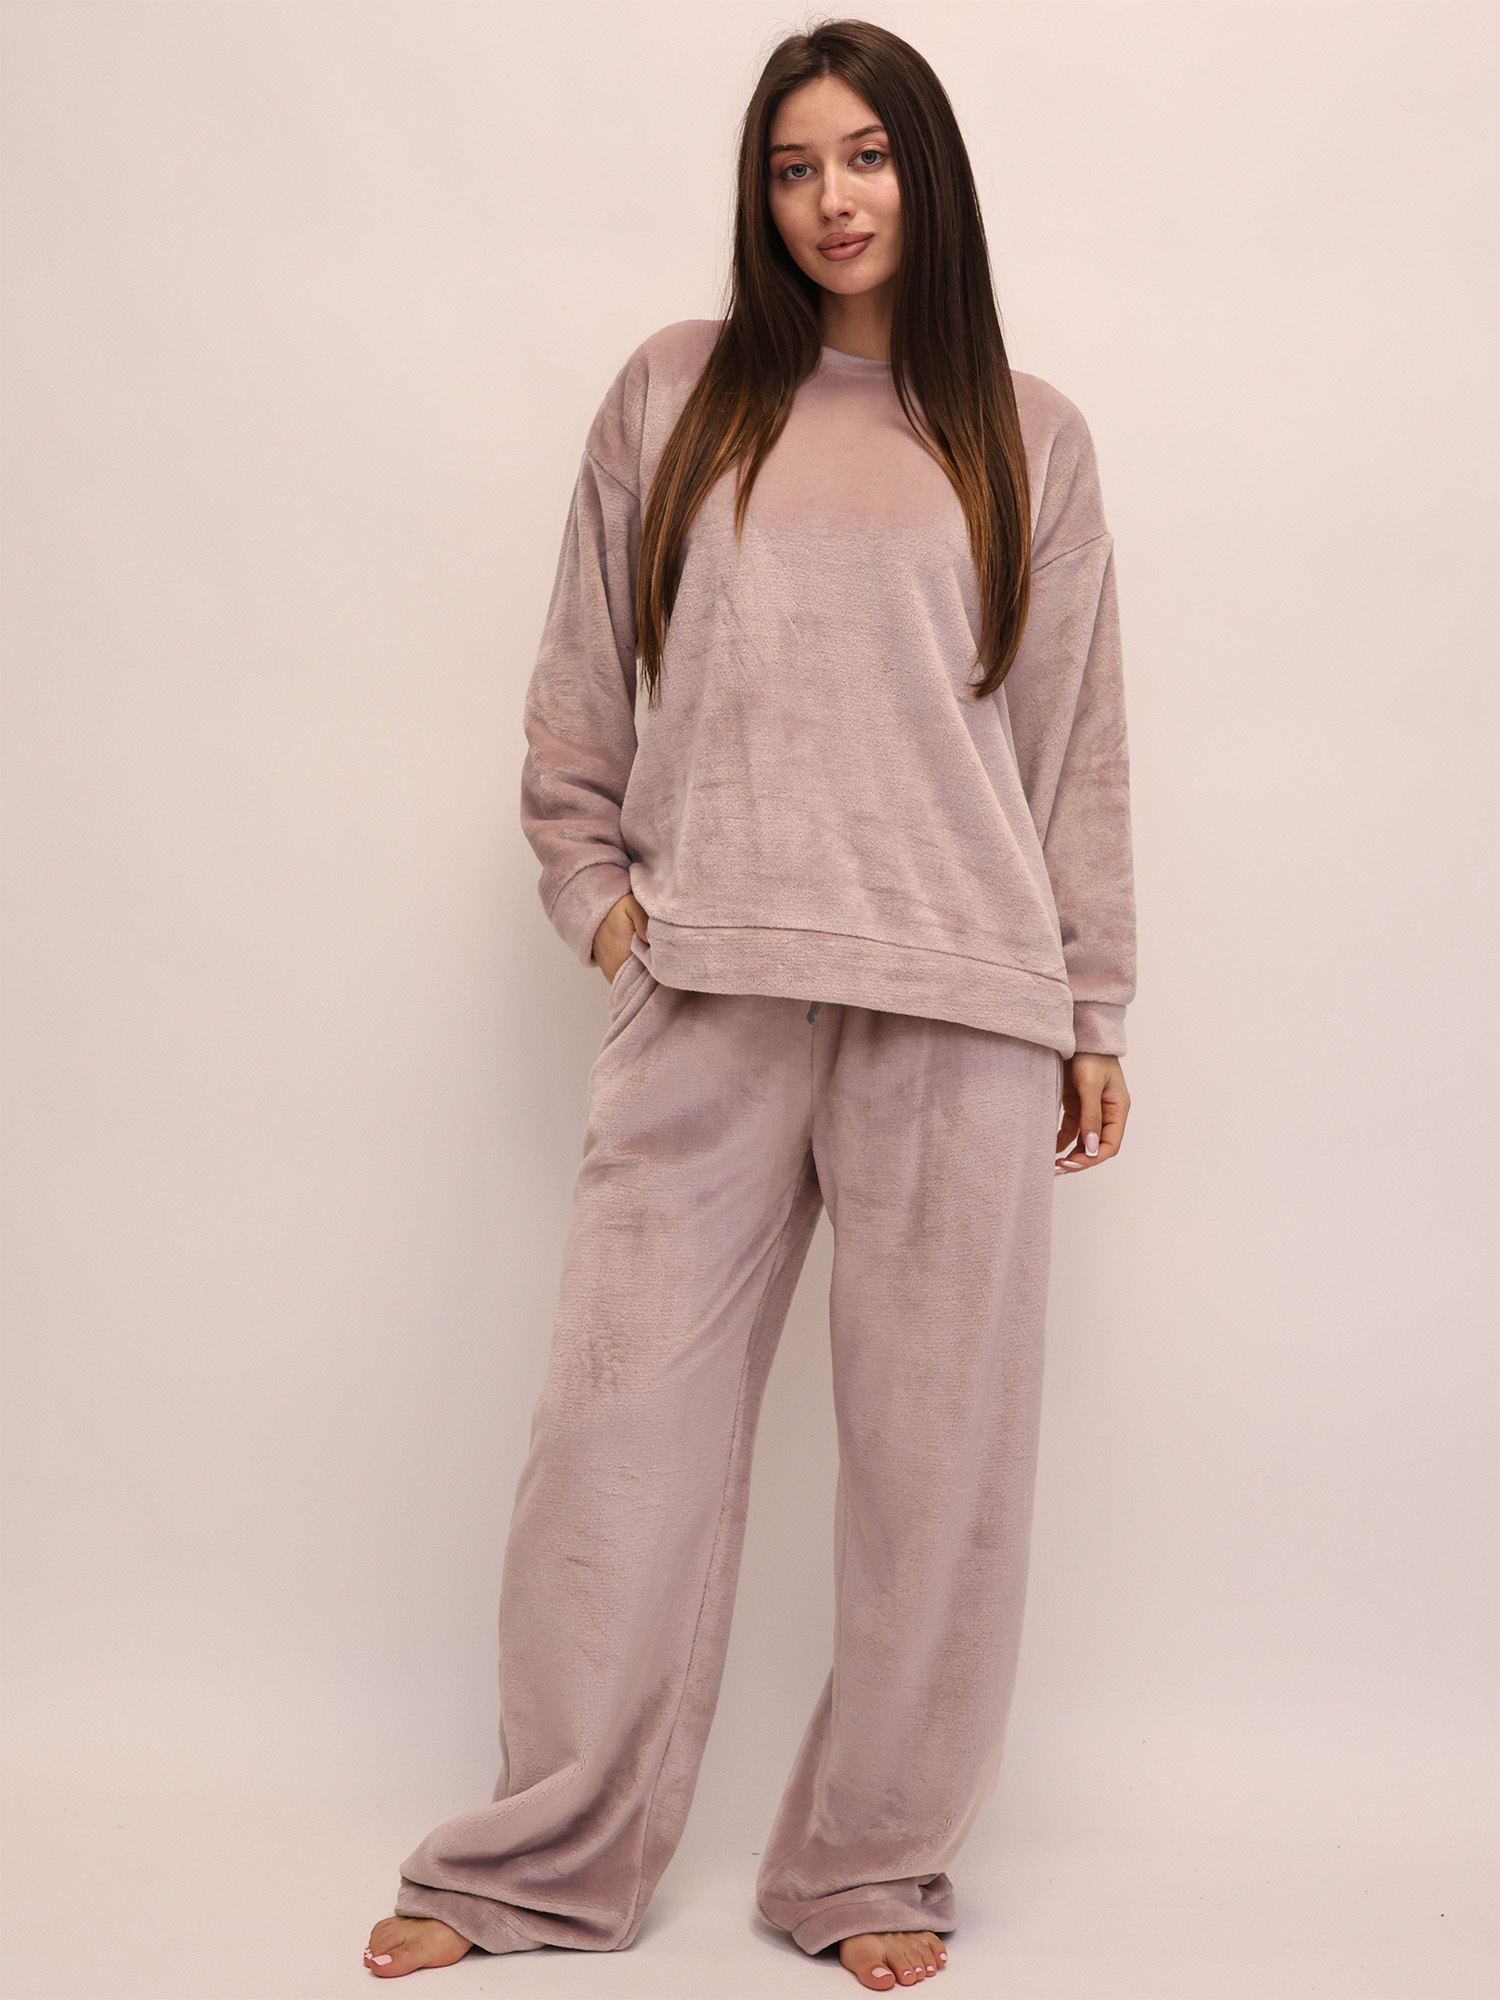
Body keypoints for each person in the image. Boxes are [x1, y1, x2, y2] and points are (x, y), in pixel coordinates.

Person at [364, 16, 1134, 1991]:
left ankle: (868, 1869)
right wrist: (602, 902)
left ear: (926, 175)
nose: (831, 200)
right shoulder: (677, 392)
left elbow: (1072, 745)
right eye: (794, 167)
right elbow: (581, 678)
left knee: (940, 1480)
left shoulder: (1027, 434)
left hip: (959, 1001)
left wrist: (1093, 1006)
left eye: (864, 157)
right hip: (706, 988)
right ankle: (540, 1863)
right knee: (612, 1441)